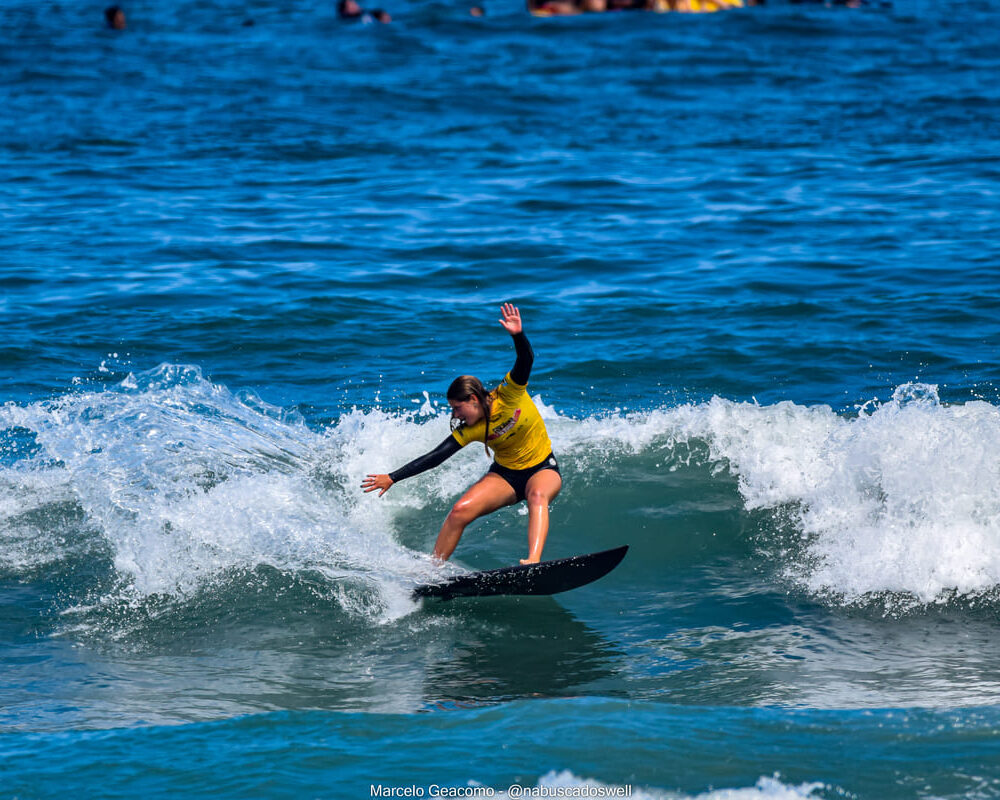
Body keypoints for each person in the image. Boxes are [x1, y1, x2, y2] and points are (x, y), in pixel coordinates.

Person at [363, 304, 562, 565]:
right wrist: (392, 477)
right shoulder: (471, 429)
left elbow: (526, 360)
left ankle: (533, 561)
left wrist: (517, 335)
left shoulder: (509, 393)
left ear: (472, 399)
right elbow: (435, 457)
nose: (455, 415)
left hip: (541, 469)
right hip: (506, 476)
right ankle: (433, 571)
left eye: (457, 408)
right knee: (459, 511)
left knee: (537, 496)